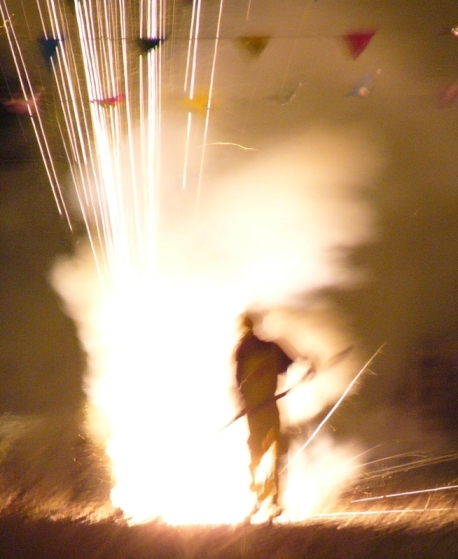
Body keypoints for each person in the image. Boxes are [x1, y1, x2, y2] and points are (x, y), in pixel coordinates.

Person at [233, 312, 299, 516]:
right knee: (276, 450)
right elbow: (290, 362)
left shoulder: (243, 351)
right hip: (266, 408)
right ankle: (270, 495)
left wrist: (242, 403)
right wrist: (308, 363)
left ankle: (264, 493)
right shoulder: (269, 348)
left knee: (260, 452)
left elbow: (238, 384)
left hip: (256, 411)